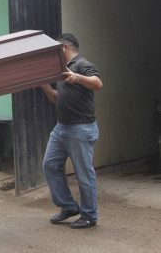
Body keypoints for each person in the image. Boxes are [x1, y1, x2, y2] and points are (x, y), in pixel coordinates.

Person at [41, 33, 103, 229]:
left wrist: (77, 77)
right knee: (50, 165)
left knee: (83, 174)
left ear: (65, 47)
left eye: (56, 50)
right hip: (61, 128)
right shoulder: (61, 70)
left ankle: (90, 215)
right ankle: (68, 206)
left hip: (81, 128)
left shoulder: (82, 64)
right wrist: (45, 85)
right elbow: (57, 99)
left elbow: (97, 83)